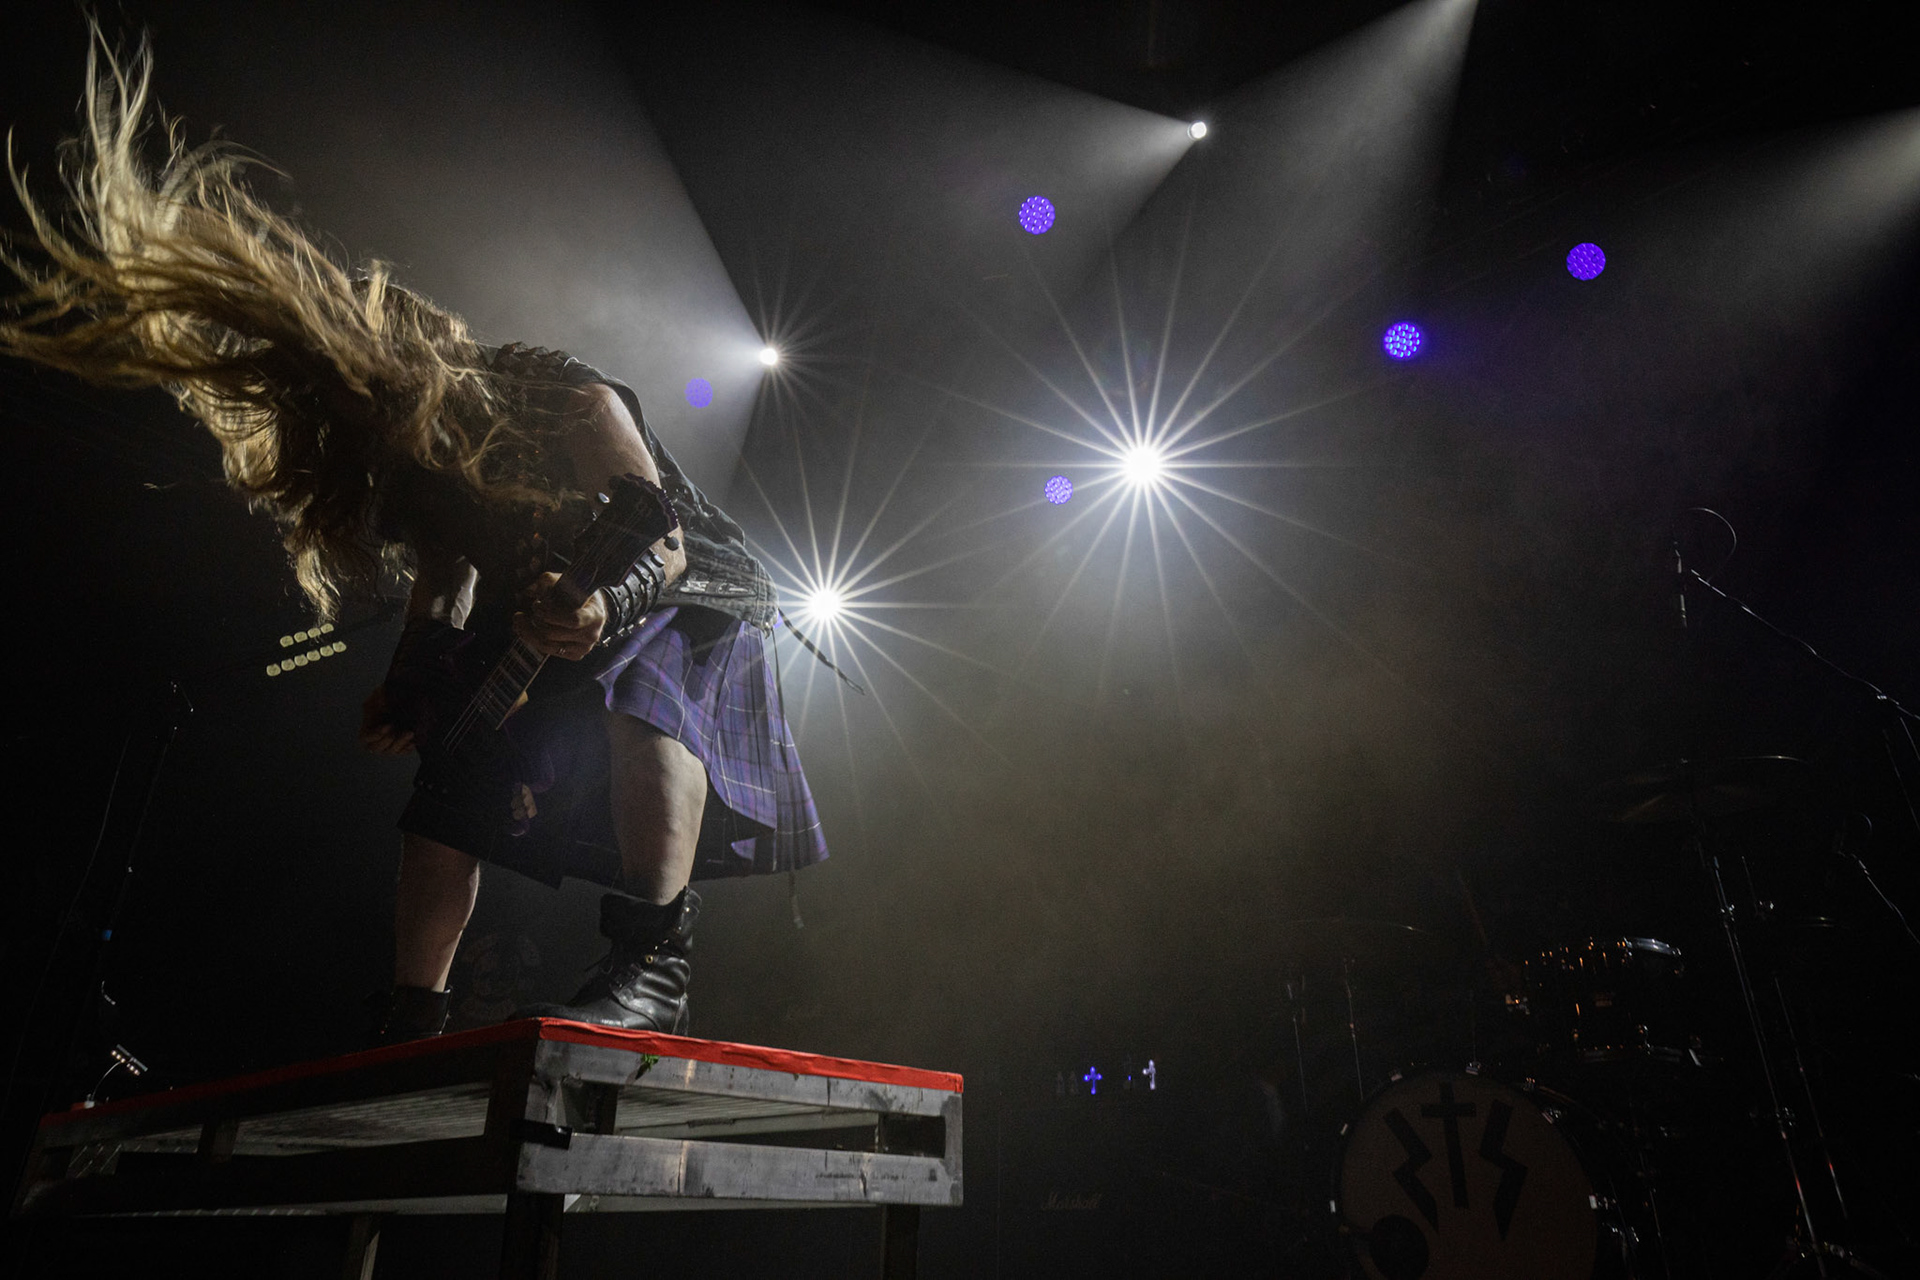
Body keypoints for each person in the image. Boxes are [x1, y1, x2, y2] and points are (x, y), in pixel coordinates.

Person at [0, 38, 826, 1042]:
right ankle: (409, 1011)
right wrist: (416, 670)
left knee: (641, 698)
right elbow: (445, 573)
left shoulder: (547, 385)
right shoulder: (413, 469)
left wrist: (609, 599)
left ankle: (653, 960)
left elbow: (658, 524)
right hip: (558, 605)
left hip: (687, 591)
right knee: (449, 775)